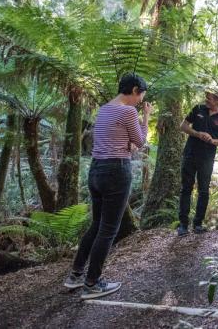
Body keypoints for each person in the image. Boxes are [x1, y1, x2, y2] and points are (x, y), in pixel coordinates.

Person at [64, 73, 151, 299]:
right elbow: (141, 142)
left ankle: (75, 275)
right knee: (108, 229)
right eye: (140, 95)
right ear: (133, 90)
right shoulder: (128, 110)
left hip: (96, 170)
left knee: (97, 225)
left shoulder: (104, 109)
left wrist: (127, 146)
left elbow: (117, 140)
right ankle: (92, 283)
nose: (140, 101)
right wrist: (146, 118)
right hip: (116, 172)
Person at [177, 86, 218, 236]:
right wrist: (197, 133)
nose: (206, 99)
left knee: (204, 190)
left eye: (210, 97)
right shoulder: (198, 109)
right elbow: (183, 126)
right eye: (206, 96)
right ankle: (183, 225)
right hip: (190, 154)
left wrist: (213, 141)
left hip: (207, 158)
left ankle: (198, 224)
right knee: (186, 188)